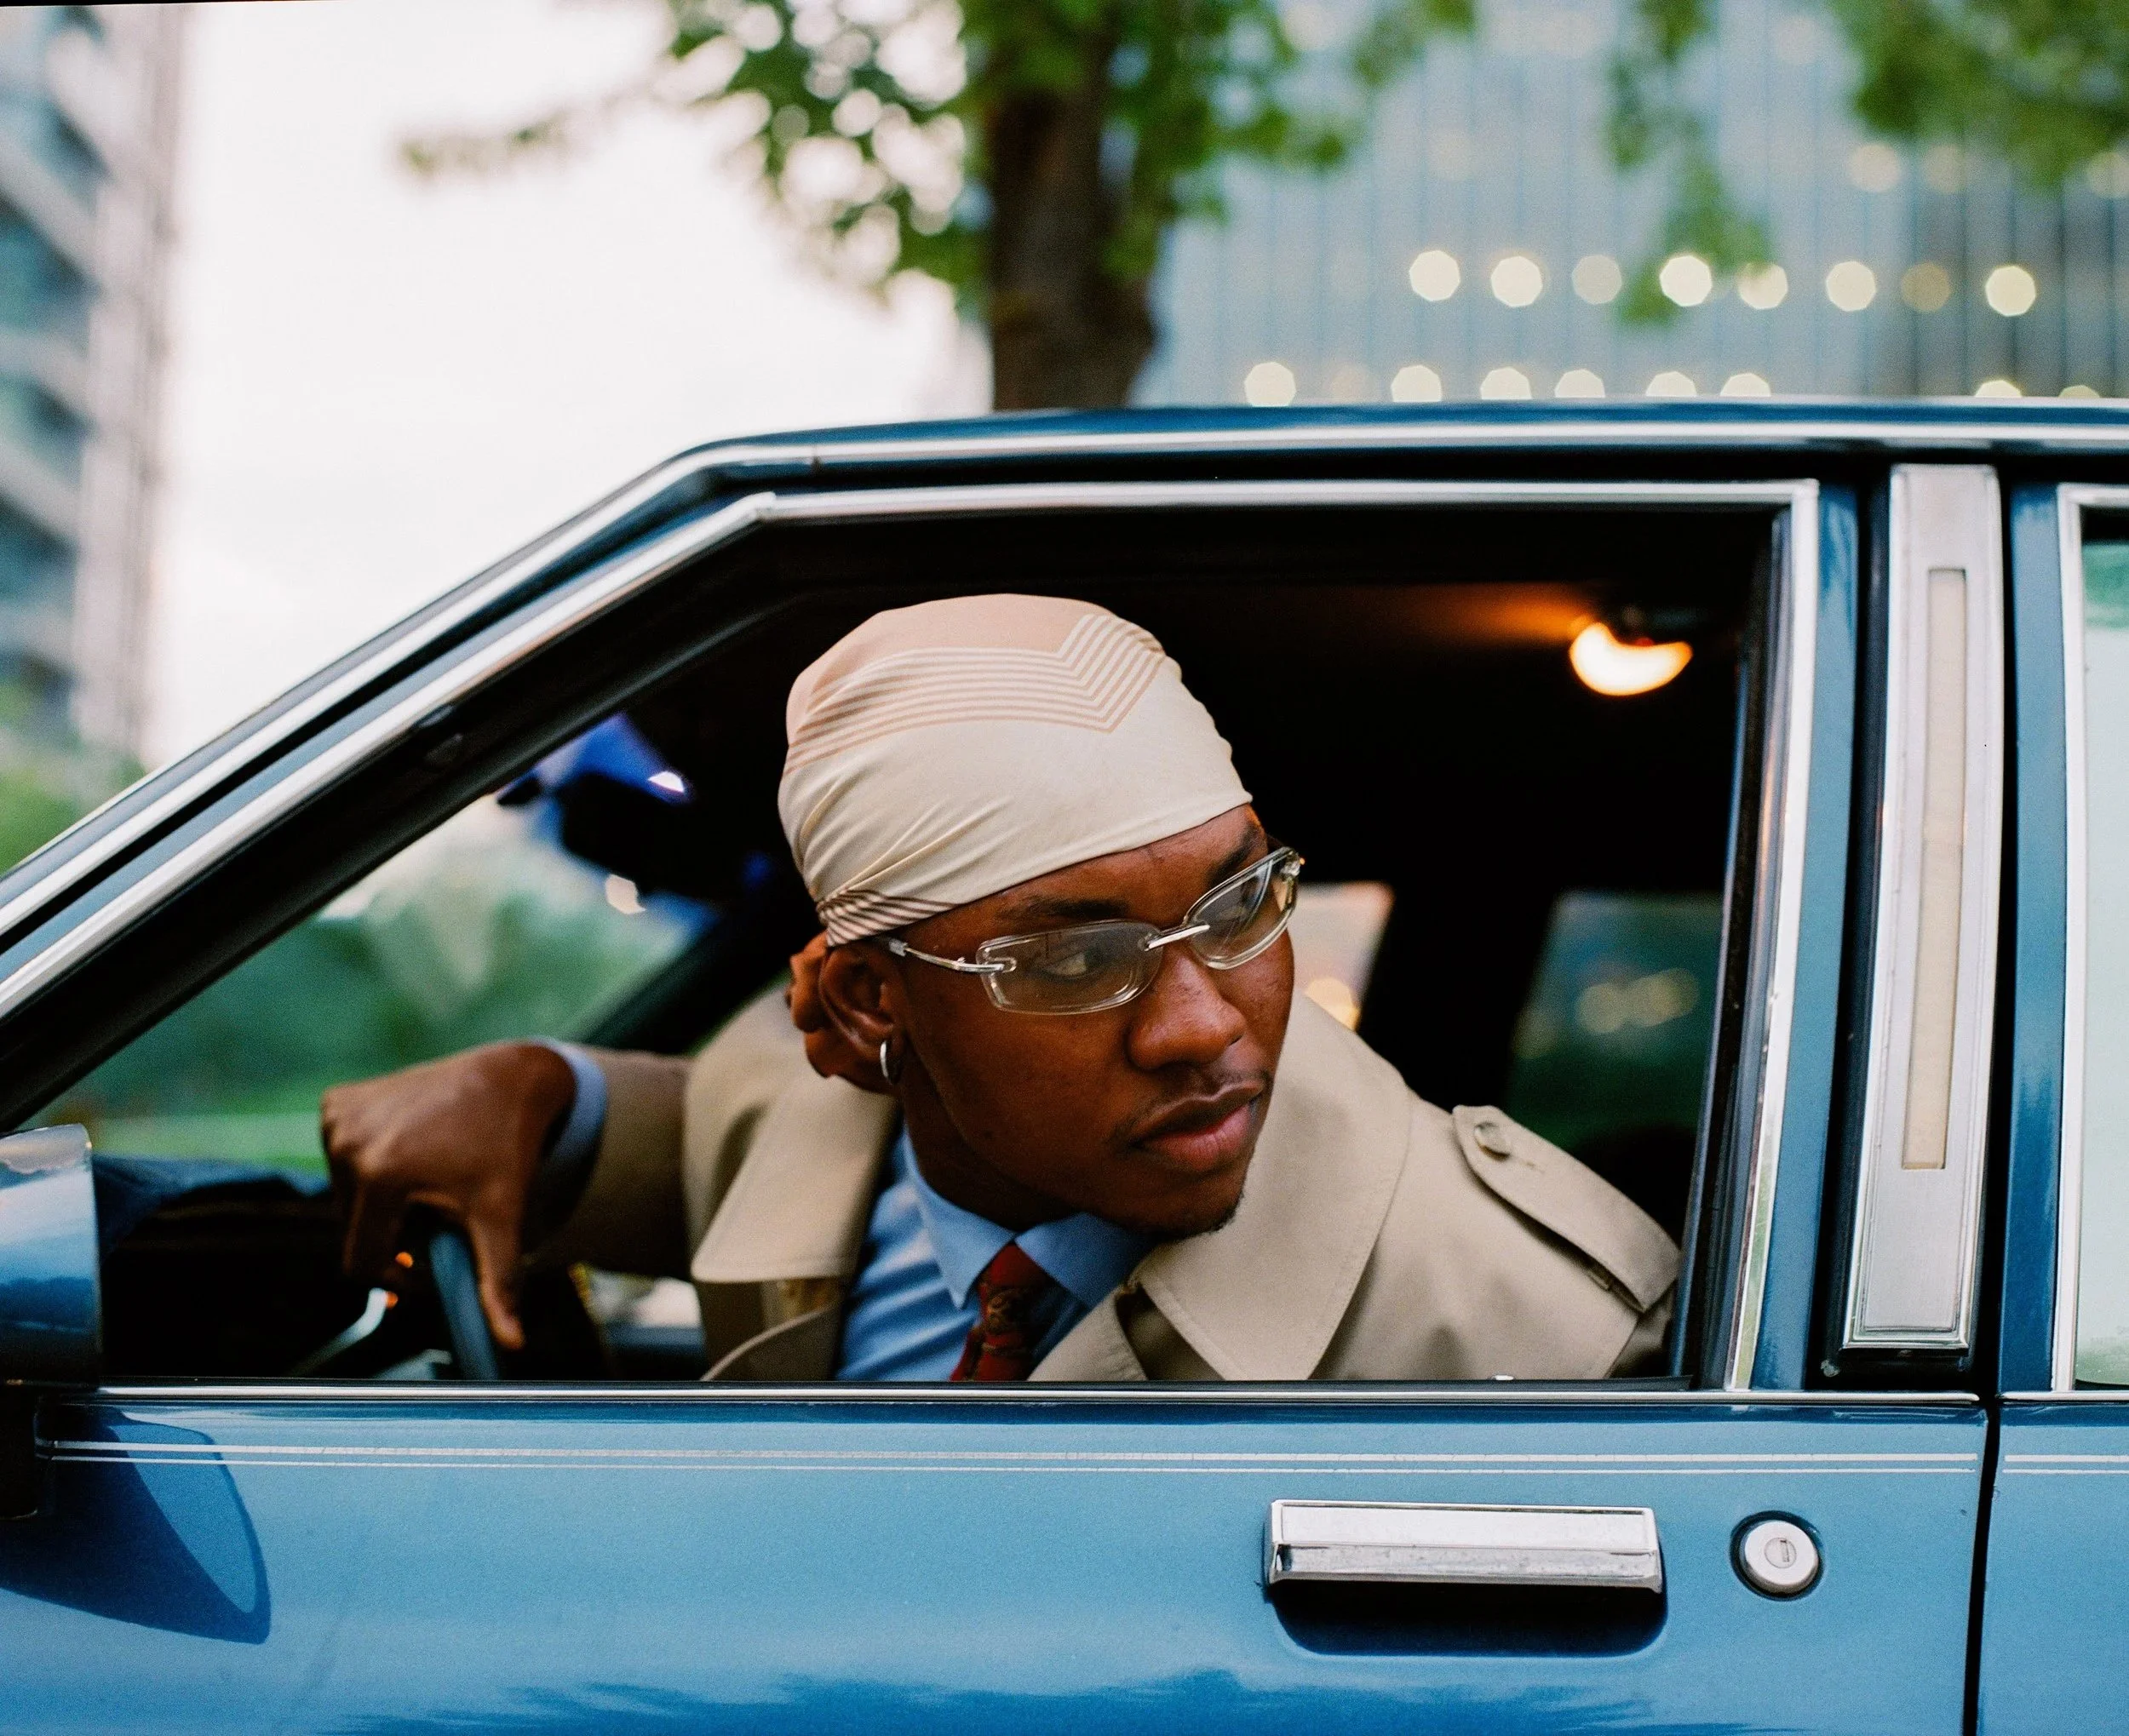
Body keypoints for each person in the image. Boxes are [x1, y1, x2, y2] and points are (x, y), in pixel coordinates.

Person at [322, 593, 1678, 1382]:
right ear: (865, 1010)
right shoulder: (789, 1095)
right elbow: (702, 1134)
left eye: (1240, 903)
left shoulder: (1539, 1326)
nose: (1206, 1025)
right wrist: (531, 1088)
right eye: (1074, 959)